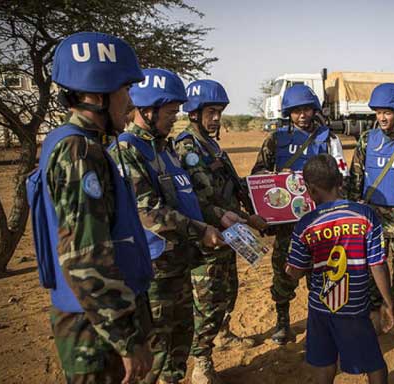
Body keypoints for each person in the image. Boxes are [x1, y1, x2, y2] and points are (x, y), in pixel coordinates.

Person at [27, 32, 154, 383]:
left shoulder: (68, 142)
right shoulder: (79, 153)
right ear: (99, 94)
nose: (130, 102)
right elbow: (85, 256)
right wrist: (127, 341)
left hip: (95, 321)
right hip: (95, 333)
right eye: (125, 90)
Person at [109, 68, 224, 384]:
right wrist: (201, 230)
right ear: (148, 110)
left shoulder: (166, 149)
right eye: (171, 112)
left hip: (180, 265)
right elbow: (148, 211)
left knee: (178, 347)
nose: (176, 118)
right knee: (156, 354)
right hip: (155, 274)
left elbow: (187, 197)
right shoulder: (127, 151)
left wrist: (218, 216)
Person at [174, 79, 267, 382]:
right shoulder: (187, 145)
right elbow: (198, 198)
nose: (216, 119)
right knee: (207, 300)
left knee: (228, 291)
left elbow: (232, 185)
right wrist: (236, 216)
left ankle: (223, 334)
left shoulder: (212, 145)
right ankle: (201, 361)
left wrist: (252, 211)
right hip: (206, 237)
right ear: (194, 113)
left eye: (219, 112)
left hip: (230, 233)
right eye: (210, 112)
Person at [251, 84, 348, 345]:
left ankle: (321, 322)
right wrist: (272, 180)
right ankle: (282, 322)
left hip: (321, 222)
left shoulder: (329, 140)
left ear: (314, 110)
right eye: (296, 111)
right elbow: (258, 172)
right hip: (288, 225)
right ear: (288, 113)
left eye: (306, 109)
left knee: (323, 274)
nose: (302, 115)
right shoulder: (275, 139)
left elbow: (342, 177)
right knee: (283, 273)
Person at [285, 154, 394, 384]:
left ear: (311, 190)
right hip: (355, 306)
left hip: (321, 307)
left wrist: (291, 270)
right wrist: (388, 302)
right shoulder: (366, 216)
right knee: (374, 362)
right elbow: (377, 264)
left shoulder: (306, 224)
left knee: (324, 363)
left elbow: (295, 272)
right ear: (341, 182)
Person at [346, 83, 394, 346]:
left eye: (388, 113)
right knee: (371, 271)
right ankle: (375, 316)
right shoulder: (367, 139)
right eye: (378, 112)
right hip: (372, 220)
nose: (382, 118)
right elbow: (354, 180)